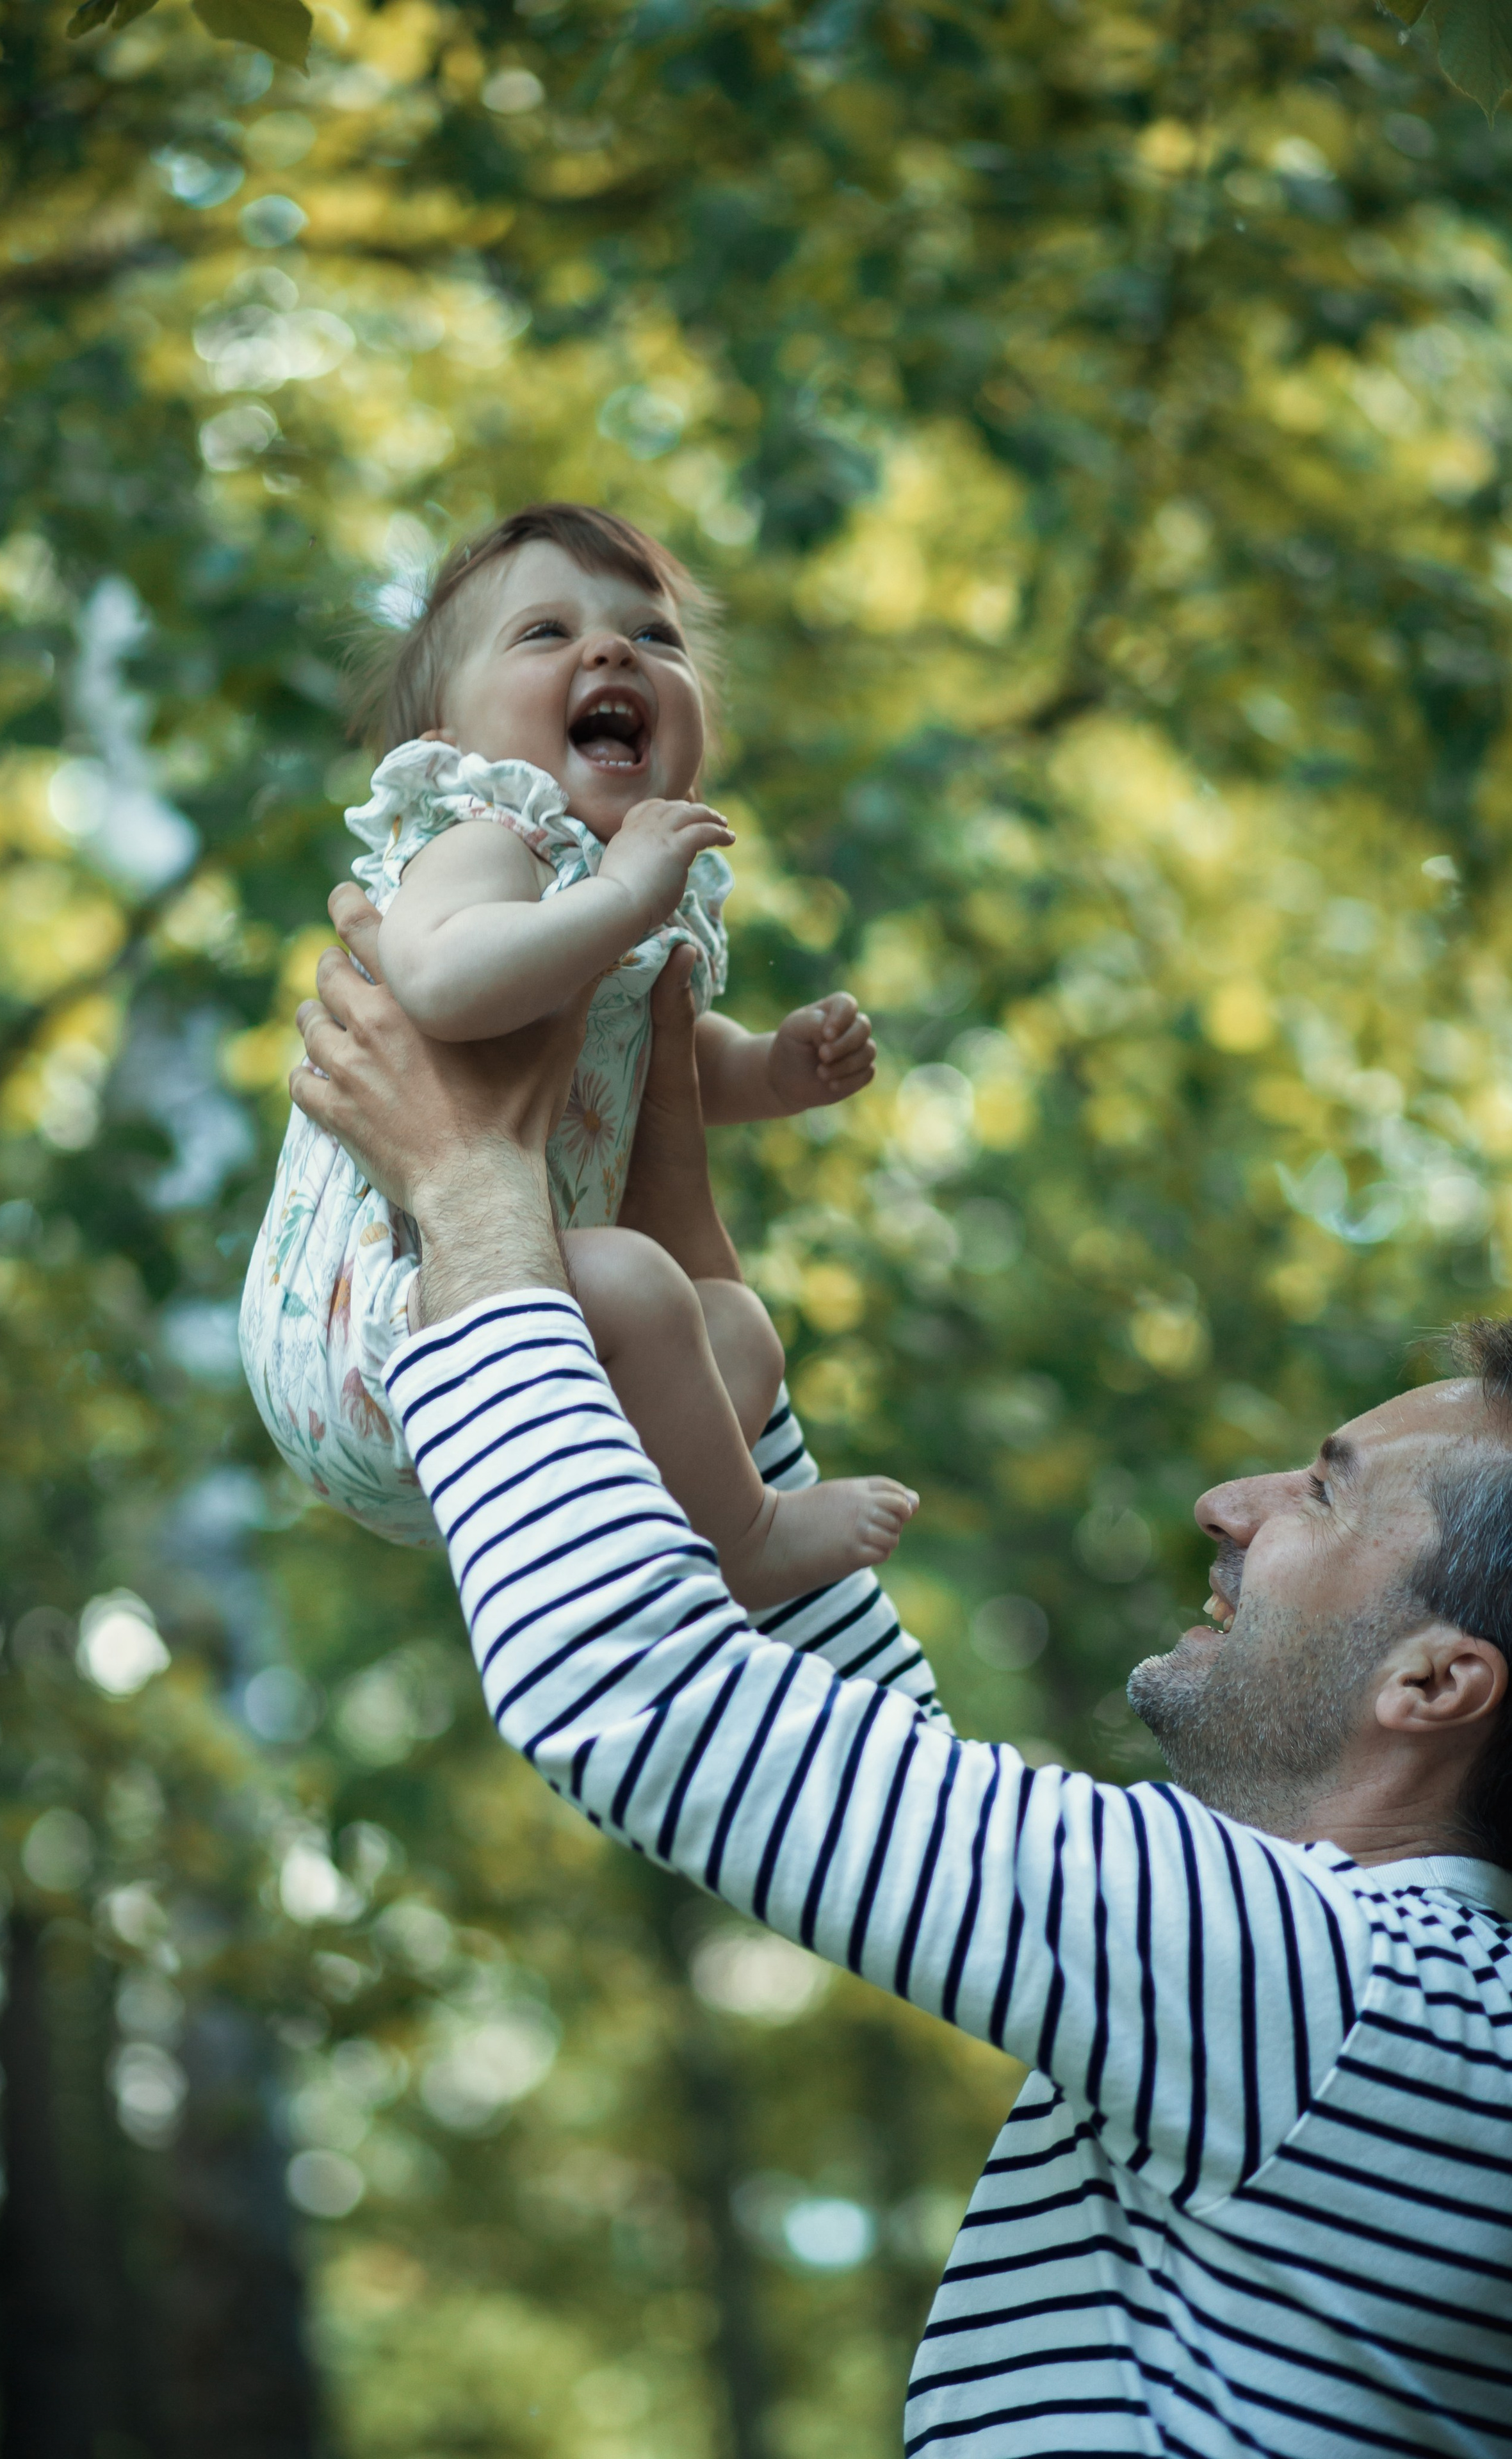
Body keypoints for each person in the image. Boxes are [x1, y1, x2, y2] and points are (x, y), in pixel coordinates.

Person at [291, 884, 1512, 2458]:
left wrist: (467, 1185)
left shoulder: (1335, 1992)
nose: (1228, 1503)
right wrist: (690, 1314)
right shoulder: (1399, 2017)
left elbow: (647, 1698)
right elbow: (865, 1757)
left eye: (1323, 1491)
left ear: (1434, 1684)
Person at [240, 501, 915, 1607]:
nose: (610, 650)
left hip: (517, 1349)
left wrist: (774, 1072)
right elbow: (446, 983)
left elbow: (664, 1063)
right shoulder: (486, 837)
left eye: (654, 637)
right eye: (544, 634)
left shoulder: (634, 889)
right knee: (642, 1283)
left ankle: (656, 1551)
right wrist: (613, 898)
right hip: (373, 1336)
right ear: (447, 744)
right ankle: (745, 1540)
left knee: (735, 1331)